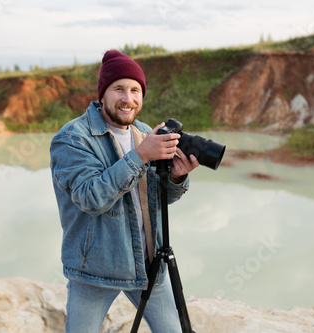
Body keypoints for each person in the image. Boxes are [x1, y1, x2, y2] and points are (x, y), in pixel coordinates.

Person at [50, 50, 199, 333]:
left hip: (147, 265)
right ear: (102, 95)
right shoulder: (71, 138)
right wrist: (140, 156)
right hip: (94, 270)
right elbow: (90, 198)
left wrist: (177, 178)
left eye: (135, 90)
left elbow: (155, 200)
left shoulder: (144, 132)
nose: (128, 98)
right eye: (118, 89)